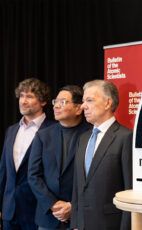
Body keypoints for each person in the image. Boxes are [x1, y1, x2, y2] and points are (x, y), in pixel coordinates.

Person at [70, 80, 132, 230]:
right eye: (84, 101)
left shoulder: (125, 137)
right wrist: (75, 224)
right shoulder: (83, 139)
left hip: (109, 225)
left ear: (107, 103)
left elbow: (130, 191)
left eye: (90, 100)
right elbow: (78, 186)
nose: (83, 106)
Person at [28, 85, 91, 229]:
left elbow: (94, 178)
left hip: (79, 216)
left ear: (78, 108)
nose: (56, 106)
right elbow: (33, 175)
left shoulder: (91, 135)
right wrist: (53, 204)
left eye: (62, 102)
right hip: (48, 217)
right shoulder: (43, 135)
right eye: (55, 101)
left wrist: (73, 206)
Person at [0, 78, 54, 230]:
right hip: (9, 212)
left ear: (43, 101)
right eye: (21, 96)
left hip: (39, 212)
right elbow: (3, 172)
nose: (23, 101)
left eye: (29, 96)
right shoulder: (11, 130)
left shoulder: (54, 130)